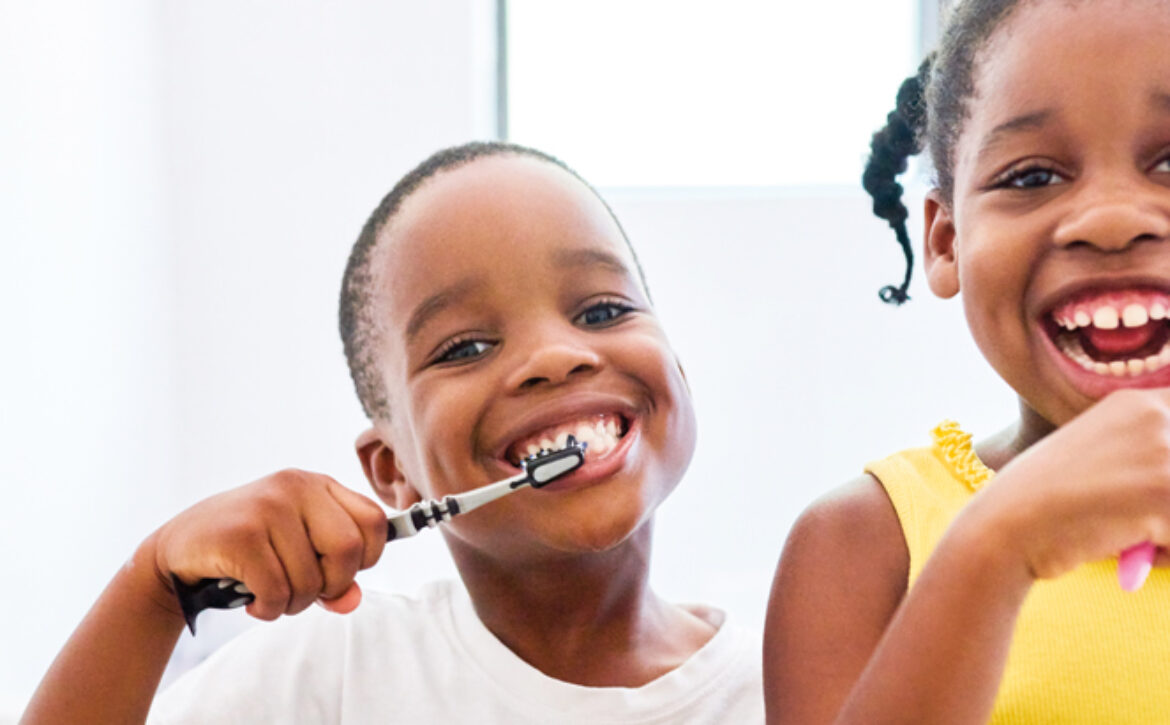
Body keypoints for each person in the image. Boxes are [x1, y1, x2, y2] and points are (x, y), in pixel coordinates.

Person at [22, 141, 764, 724]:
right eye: (464, 347)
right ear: (393, 469)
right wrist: (151, 589)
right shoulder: (328, 674)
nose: (554, 356)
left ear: (679, 370)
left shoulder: (788, 682)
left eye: (602, 310)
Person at [764, 1, 1170, 723]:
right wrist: (997, 547)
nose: (1111, 219)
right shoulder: (866, 543)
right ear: (946, 242)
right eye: (1031, 176)